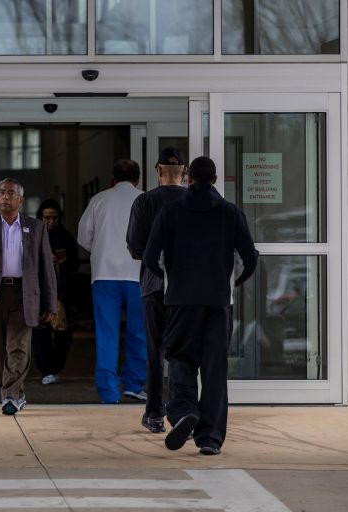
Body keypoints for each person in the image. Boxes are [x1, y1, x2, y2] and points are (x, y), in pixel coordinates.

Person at [143, 156, 258, 455]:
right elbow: (250, 257)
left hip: (181, 301)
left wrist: (170, 280)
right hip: (218, 301)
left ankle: (183, 411)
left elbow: (150, 256)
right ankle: (210, 438)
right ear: (215, 180)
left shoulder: (170, 211)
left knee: (180, 358)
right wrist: (231, 283)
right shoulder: (230, 212)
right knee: (214, 368)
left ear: (188, 178)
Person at [0, 178, 57, 415]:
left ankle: (10, 396)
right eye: (2, 192)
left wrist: (50, 303)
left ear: (21, 200)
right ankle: (17, 394)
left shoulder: (36, 227)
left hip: (25, 294)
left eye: (11, 193)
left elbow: (47, 268)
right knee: (1, 349)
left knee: (18, 346)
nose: (5, 196)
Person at [126, 147, 187, 433]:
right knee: (182, 351)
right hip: (187, 288)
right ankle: (182, 410)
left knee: (155, 349)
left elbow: (134, 246)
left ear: (158, 171)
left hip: (153, 285)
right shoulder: (192, 201)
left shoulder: (144, 202)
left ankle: (154, 414)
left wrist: (156, 258)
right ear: (184, 172)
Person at [77, 159, 146, 404]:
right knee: (138, 332)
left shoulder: (99, 200)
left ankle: (108, 391)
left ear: (112, 179)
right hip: (138, 274)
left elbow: (83, 237)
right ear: (138, 179)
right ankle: (134, 384)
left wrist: (100, 248)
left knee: (107, 333)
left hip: (104, 274)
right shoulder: (145, 200)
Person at [32, 198, 80, 385]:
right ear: (40, 218)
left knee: (63, 333)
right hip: (39, 292)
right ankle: (46, 370)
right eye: (46, 218)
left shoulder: (66, 237)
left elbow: (75, 264)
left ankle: (55, 367)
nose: (50, 221)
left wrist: (63, 261)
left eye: (54, 217)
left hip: (61, 292)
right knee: (40, 333)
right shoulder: (34, 236)